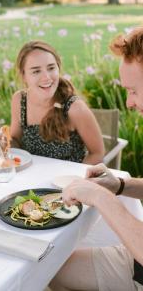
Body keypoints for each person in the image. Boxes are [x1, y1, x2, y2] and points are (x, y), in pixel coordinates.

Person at [50, 27, 143, 291]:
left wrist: (101, 197)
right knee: (46, 266)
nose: (128, 102)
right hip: (135, 263)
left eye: (133, 91)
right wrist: (120, 186)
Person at [10, 40, 104, 164]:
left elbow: (97, 153)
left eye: (51, 68)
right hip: (30, 178)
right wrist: (2, 140)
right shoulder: (20, 100)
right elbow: (15, 140)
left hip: (68, 181)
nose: (46, 77)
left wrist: (77, 180)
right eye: (36, 71)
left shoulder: (75, 108)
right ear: (24, 76)